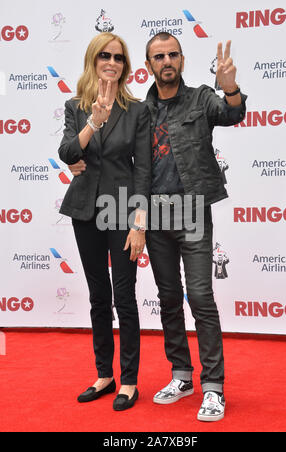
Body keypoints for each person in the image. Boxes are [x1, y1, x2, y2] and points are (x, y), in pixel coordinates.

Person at [143, 32, 247, 422]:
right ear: (149, 65)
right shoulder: (140, 111)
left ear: (182, 60)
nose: (166, 61)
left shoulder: (203, 98)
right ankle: (182, 375)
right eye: (159, 56)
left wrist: (231, 86)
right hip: (154, 217)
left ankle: (214, 386)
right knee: (169, 298)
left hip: (192, 213)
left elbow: (234, 113)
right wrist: (77, 161)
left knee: (200, 297)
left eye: (172, 55)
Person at [58, 32, 151, 411]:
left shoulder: (137, 110)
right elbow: (67, 152)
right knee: (99, 296)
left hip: (124, 210)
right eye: (104, 56)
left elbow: (143, 169)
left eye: (118, 57)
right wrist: (93, 122)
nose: (111, 62)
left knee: (124, 297)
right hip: (85, 210)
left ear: (125, 66)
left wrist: (140, 222)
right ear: (93, 60)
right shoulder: (75, 106)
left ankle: (129, 380)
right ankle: (104, 374)